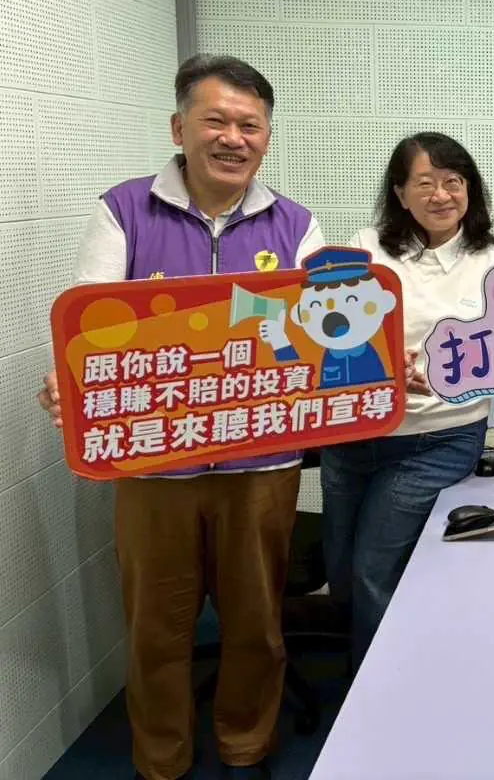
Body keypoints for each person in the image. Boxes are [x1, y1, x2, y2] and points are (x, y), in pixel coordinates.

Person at [37, 55, 325, 780]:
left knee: (256, 623)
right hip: (154, 464)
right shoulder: (125, 210)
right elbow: (91, 325)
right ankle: (161, 759)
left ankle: (245, 744)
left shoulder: (296, 224)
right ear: (179, 128)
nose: (233, 138)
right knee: (155, 628)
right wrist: (72, 381)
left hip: (261, 465)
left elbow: (322, 336)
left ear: (267, 138)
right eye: (216, 120)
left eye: (250, 126)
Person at [320, 131, 494, 672]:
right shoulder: (366, 249)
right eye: (425, 183)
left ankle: (378, 695)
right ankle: (364, 669)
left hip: (437, 438)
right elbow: (324, 332)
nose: (441, 195)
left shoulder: (491, 263)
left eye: (453, 181)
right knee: (342, 572)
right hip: (355, 432)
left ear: (470, 190)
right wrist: (377, 364)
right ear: (400, 194)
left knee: (374, 569)